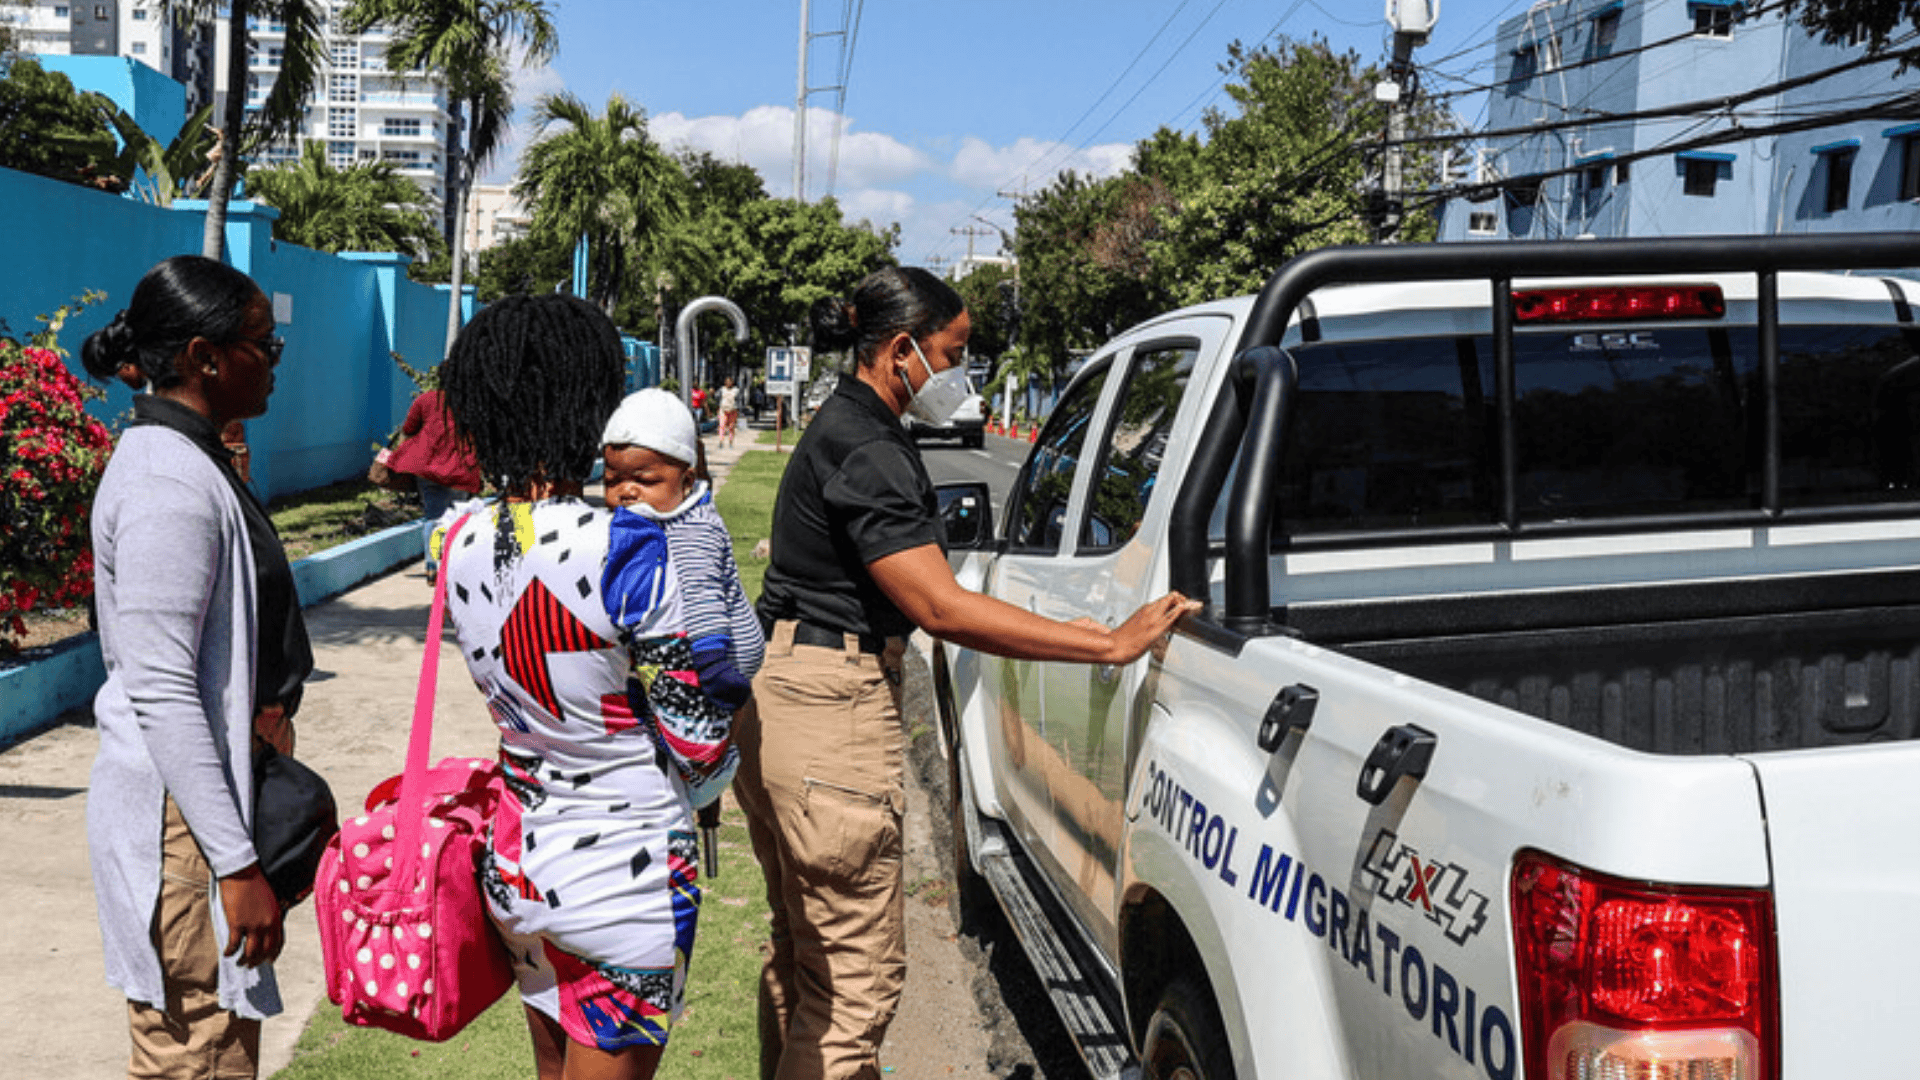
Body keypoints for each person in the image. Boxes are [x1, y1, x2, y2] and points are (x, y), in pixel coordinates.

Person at [737, 266, 1197, 1080]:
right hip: (829, 712)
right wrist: (1104, 644)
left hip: (786, 700)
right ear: (903, 349)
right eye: (954, 354)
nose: (960, 376)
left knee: (806, 967)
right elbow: (940, 608)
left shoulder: (842, 425)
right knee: (851, 992)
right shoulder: (870, 446)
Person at [433, 294, 730, 1080]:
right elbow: (698, 743)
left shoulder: (453, 538)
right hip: (624, 875)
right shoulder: (629, 546)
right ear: (594, 402)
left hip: (520, 866)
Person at [82, 255, 311, 1080]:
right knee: (197, 1053)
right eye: (264, 344)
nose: (275, 360)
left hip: (202, 807)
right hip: (182, 823)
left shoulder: (193, 462)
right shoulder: (164, 483)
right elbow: (164, 688)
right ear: (206, 357)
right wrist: (236, 864)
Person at [601, 387, 764, 735]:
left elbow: (702, 592)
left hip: (720, 657)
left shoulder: (691, 529)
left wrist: (712, 663)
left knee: (697, 746)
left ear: (687, 481)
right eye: (612, 480)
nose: (626, 491)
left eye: (644, 481)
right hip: (694, 657)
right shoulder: (656, 516)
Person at [383, 386, 481, 584]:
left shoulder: (425, 400)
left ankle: (432, 567)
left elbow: (409, 428)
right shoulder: (472, 401)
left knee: (433, 517)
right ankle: (455, 565)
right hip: (460, 468)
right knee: (458, 518)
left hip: (429, 467)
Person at [716, 376, 741, 449]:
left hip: (733, 410)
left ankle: (730, 442)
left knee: (731, 427)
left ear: (732, 383)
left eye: (730, 382)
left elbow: (739, 400)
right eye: (727, 382)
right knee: (722, 426)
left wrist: (738, 410)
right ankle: (721, 441)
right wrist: (717, 407)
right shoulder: (722, 390)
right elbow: (717, 397)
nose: (728, 383)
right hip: (723, 410)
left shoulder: (736, 390)